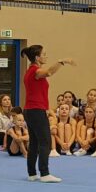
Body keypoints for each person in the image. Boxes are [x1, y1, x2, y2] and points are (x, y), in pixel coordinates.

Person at [21, 44, 74, 183]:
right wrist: (62, 61)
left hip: (31, 110)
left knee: (34, 143)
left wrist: (47, 109)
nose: (46, 56)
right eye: (44, 54)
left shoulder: (30, 71)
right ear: (37, 57)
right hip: (35, 111)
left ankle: (32, 173)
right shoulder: (35, 71)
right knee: (45, 142)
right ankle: (44, 173)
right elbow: (49, 72)